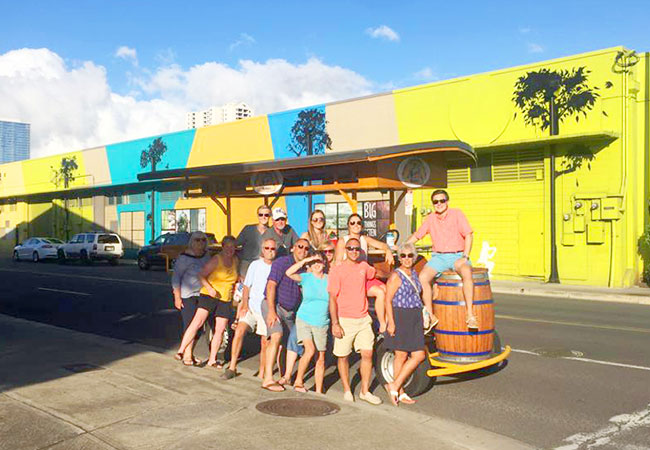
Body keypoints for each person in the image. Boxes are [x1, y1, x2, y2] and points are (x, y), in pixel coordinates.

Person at [405, 189, 477, 329]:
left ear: (447, 202)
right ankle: (431, 316)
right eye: (436, 201)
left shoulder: (457, 214)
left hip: (457, 255)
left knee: (467, 272)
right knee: (423, 277)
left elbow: (469, 234)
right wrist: (403, 246)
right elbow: (418, 235)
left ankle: (470, 314)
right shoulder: (431, 218)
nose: (439, 204)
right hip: (439, 257)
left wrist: (465, 256)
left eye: (442, 200)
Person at [328, 237, 382, 405]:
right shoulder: (337, 270)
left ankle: (365, 391)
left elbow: (377, 273)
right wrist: (335, 323)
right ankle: (346, 389)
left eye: (357, 249)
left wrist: (395, 271)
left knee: (368, 353)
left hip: (363, 318)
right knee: (343, 356)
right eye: (350, 248)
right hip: (344, 319)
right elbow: (332, 298)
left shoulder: (364, 267)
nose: (353, 251)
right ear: (345, 250)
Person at [176, 236, 238, 369]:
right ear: (223, 246)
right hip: (209, 295)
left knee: (220, 329)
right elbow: (201, 275)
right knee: (197, 322)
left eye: (232, 247)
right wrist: (210, 288)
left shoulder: (235, 261)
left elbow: (236, 278)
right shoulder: (217, 259)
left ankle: (212, 359)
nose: (230, 249)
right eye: (227, 246)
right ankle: (181, 350)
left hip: (225, 299)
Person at [223, 238, 277, 380]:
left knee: (265, 341)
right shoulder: (255, 265)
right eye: (267, 248)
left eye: (272, 249)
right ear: (262, 250)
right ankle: (232, 366)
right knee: (239, 330)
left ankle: (262, 371)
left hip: (265, 309)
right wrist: (245, 304)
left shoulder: (277, 267)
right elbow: (246, 286)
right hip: (252, 307)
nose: (270, 251)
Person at [260, 238, 309, 391]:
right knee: (276, 335)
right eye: (300, 247)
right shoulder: (281, 262)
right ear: (293, 248)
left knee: (288, 342)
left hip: (290, 312)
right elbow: (271, 286)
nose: (303, 250)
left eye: (307, 248)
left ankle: (284, 377)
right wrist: (272, 311)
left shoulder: (305, 269)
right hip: (273, 304)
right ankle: (267, 379)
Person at [383, 243, 428, 406]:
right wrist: (391, 323)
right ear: (399, 257)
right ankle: (399, 391)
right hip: (401, 315)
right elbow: (388, 300)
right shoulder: (396, 276)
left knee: (418, 355)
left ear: (414, 257)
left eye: (410, 255)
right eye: (403, 255)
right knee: (401, 355)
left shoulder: (415, 273)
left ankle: (394, 385)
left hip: (414, 316)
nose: (407, 259)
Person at [335, 213, 393, 332]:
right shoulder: (343, 241)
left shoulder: (364, 239)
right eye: (353, 223)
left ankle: (388, 322)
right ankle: (382, 325)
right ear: (348, 226)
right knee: (380, 293)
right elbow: (338, 262)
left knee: (388, 289)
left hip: (366, 276)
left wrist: (388, 251)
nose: (356, 225)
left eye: (358, 223)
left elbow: (382, 245)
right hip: (353, 280)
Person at [285, 253, 329, 394]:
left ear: (324, 263)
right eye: (314, 262)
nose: (317, 264)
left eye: (319, 262)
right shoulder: (306, 277)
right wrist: (306, 260)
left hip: (322, 321)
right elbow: (289, 272)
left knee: (320, 358)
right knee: (309, 349)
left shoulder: (330, 280)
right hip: (304, 319)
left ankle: (318, 390)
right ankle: (298, 381)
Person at [171, 231, 212, 366]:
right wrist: (177, 297)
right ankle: (187, 355)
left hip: (202, 293)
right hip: (188, 295)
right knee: (189, 325)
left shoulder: (207, 256)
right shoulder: (184, 257)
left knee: (199, 327)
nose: (200, 243)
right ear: (191, 242)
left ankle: (190, 353)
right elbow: (176, 277)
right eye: (197, 240)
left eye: (202, 240)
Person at [236, 205, 272, 278]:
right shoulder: (248, 229)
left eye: (266, 215)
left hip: (263, 265)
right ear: (257, 216)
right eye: (261, 215)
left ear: (270, 216)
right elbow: (235, 244)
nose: (263, 217)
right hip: (247, 264)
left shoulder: (272, 232)